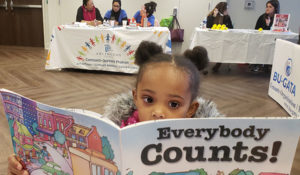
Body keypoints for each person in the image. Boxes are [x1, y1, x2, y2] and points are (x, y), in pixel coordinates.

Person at [7, 41, 223, 174]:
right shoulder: (113, 132)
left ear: (191, 109)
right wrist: (27, 168)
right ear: (136, 97)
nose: (158, 111)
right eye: (149, 99)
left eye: (173, 104)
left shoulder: (205, 146)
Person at [251, 0, 279, 72]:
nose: (267, 8)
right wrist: (267, 25)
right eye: (267, 6)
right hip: (261, 41)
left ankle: (269, 65)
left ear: (275, 8)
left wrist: (270, 25)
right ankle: (256, 64)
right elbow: (256, 30)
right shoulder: (262, 17)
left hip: (273, 41)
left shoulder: (278, 18)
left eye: (270, 7)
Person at [206, 2, 233, 73]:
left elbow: (231, 28)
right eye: (226, 9)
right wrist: (214, 16)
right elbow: (208, 27)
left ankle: (218, 64)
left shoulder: (227, 17)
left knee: (225, 47)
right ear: (222, 9)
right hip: (212, 39)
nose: (227, 11)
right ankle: (205, 64)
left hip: (222, 39)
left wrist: (226, 22)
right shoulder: (211, 16)